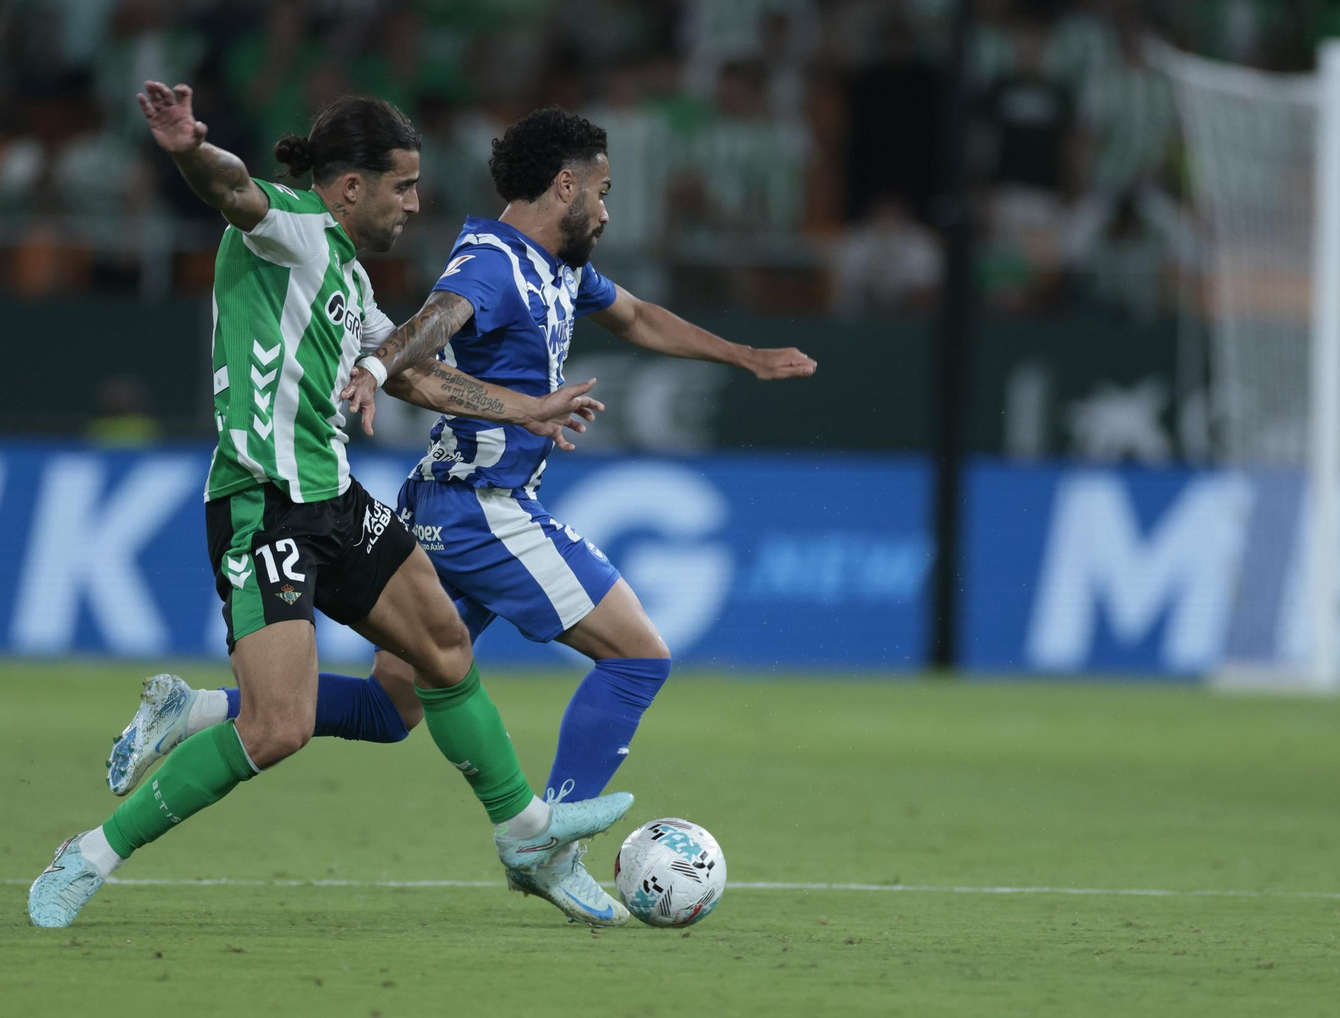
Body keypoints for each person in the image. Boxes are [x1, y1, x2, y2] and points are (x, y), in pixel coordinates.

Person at [104, 105, 816, 926]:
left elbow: (637, 316)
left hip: (440, 504)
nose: (610, 211)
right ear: (566, 184)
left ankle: (193, 708)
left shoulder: (560, 269)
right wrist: (380, 361)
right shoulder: (492, 261)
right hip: (485, 511)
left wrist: (743, 355)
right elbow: (435, 319)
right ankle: (547, 845)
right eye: (605, 191)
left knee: (392, 709)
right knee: (638, 658)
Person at [27, 83, 634, 929]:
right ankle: (90, 854)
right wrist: (187, 147)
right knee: (279, 728)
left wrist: (525, 408)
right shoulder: (288, 227)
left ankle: (526, 830)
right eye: (403, 186)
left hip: (335, 498)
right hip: (261, 504)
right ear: (351, 186)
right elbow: (231, 189)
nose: (415, 203)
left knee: (445, 650)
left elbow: (418, 372)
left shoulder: (346, 273)